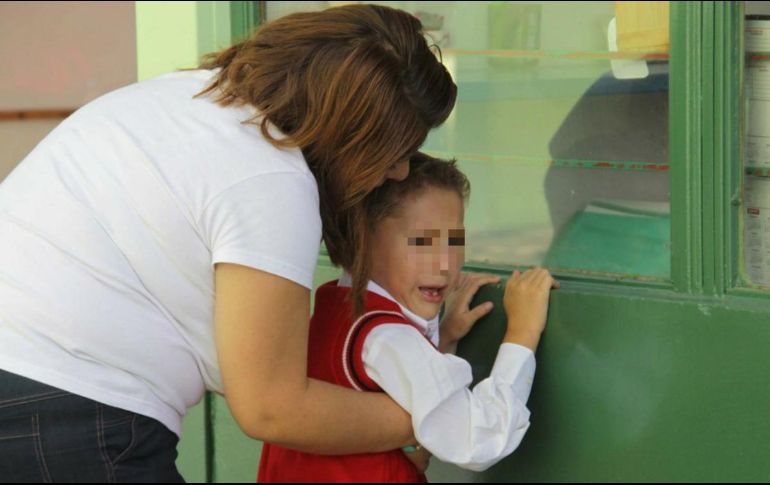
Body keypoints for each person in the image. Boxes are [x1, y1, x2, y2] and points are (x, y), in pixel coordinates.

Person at [0, 5, 456, 482]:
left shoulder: (184, 96)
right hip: (70, 412)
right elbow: (272, 407)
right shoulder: (270, 177)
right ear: (351, 130)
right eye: (395, 149)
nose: (400, 170)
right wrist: (434, 418)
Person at [258, 153, 559, 482]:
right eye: (424, 242)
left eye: (455, 241)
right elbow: (477, 438)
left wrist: (443, 339)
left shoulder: (340, 309)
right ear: (363, 241)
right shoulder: (386, 337)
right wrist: (521, 333)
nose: (445, 263)